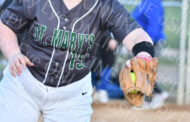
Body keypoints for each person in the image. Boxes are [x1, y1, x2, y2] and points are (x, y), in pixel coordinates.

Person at [0, 0, 155, 121]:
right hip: (23, 83)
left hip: (71, 94)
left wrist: (143, 55)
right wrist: (13, 53)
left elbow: (135, 34)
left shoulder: (105, 5)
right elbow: (5, 24)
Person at [132, 0, 168, 109]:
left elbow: (154, 25)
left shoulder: (153, 2)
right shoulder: (144, 2)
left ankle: (155, 95)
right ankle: (152, 97)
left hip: (152, 41)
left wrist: (147, 42)